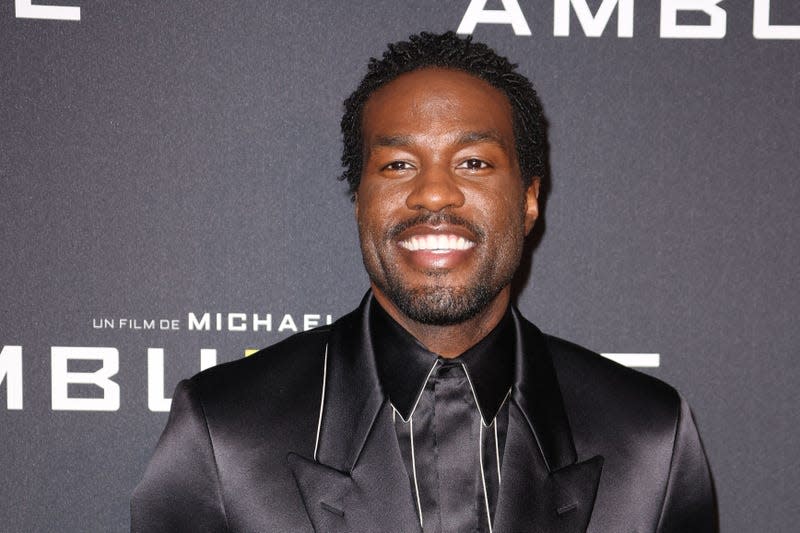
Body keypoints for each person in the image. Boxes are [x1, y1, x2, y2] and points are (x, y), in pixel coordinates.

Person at [131, 32, 716, 532]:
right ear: (360, 199)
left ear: (530, 198)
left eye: (474, 163)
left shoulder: (649, 439)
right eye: (399, 165)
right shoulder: (224, 432)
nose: (434, 193)